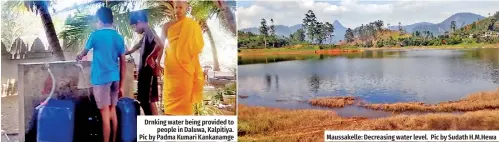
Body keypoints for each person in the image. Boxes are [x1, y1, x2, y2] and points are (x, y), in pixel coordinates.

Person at [76, 7, 126, 142]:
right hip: (115, 79)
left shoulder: (95, 35)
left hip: (101, 79)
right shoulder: (118, 37)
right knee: (112, 111)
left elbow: (83, 53)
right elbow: (123, 62)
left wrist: (78, 55)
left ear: (99, 20)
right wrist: (121, 85)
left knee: (105, 115)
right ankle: (115, 139)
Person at [155, 0, 205, 115]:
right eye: (176, 7)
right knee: (169, 102)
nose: (177, 10)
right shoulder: (166, 26)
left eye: (180, 8)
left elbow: (197, 47)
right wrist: (158, 62)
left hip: (185, 69)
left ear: (187, 8)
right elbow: (161, 46)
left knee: (185, 105)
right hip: (171, 69)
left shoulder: (192, 26)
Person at [125, 10, 164, 115]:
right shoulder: (146, 34)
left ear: (140, 21)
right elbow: (137, 45)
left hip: (149, 73)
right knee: (146, 101)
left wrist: (149, 57)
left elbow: (160, 44)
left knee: (149, 102)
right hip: (145, 75)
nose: (135, 30)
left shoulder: (150, 31)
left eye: (134, 27)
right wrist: (126, 52)